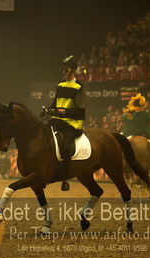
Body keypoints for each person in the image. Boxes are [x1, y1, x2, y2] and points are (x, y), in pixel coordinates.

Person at [44, 55, 86, 191]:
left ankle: (65, 178)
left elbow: (78, 112)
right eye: (62, 69)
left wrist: (58, 111)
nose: (63, 71)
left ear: (73, 69)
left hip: (72, 123)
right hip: (57, 121)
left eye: (65, 69)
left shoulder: (79, 87)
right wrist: (48, 110)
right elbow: (54, 103)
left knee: (66, 147)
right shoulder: (60, 85)